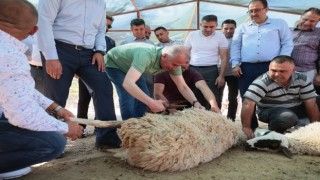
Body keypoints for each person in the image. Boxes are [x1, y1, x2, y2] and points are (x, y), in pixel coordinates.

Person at [0, 0, 83, 179]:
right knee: (53, 142)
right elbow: (22, 114)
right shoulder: (8, 53)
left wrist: (56, 107)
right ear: (34, 30)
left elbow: (17, 89)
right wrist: (65, 128)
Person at [37, 0, 118, 149]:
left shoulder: (100, 3)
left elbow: (100, 30)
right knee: (56, 96)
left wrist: (99, 50)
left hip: (89, 52)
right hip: (59, 49)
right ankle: (52, 143)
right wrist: (51, 56)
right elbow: (44, 22)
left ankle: (107, 138)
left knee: (104, 87)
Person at [231, 0, 293, 130]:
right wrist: (235, 64)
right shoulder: (242, 27)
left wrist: (280, 64)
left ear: (267, 9)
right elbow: (235, 47)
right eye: (251, 11)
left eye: (257, 10)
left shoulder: (279, 24)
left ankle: (277, 125)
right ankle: (251, 128)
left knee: (276, 95)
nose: (254, 13)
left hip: (272, 68)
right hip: (247, 68)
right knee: (247, 96)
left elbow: (287, 43)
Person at [105, 43, 204, 120]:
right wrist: (151, 102)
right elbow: (128, 84)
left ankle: (140, 125)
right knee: (128, 96)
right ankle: (128, 129)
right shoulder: (146, 55)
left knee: (144, 95)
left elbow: (182, 86)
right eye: (174, 64)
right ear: (164, 56)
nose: (175, 68)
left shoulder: (175, 63)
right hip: (115, 63)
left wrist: (195, 103)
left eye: (179, 66)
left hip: (131, 66)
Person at [241, 55, 320, 139]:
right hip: (271, 111)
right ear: (269, 68)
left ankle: (307, 126)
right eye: (273, 70)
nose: (277, 74)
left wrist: (315, 127)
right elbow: (247, 103)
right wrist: (246, 127)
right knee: (287, 117)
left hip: (295, 107)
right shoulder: (261, 82)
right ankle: (274, 132)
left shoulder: (302, 79)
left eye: (282, 71)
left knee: (316, 100)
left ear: (293, 70)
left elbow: (311, 103)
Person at [77, 15, 116, 137]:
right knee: (83, 100)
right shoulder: (87, 38)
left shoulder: (111, 42)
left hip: (102, 75)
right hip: (85, 74)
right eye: (105, 24)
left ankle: (99, 127)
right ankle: (80, 128)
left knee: (101, 101)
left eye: (109, 26)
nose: (107, 28)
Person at [184, 15, 228, 110]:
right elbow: (185, 52)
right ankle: (193, 119)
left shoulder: (220, 37)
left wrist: (221, 76)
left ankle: (212, 120)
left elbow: (224, 57)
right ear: (200, 25)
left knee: (212, 96)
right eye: (205, 26)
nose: (208, 29)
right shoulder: (192, 35)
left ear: (216, 25)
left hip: (211, 70)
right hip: (193, 69)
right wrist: (185, 67)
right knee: (193, 95)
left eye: (211, 27)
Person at [154, 63, 221, 113]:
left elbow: (204, 87)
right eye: (181, 62)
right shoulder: (162, 73)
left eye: (186, 62)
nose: (183, 65)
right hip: (168, 105)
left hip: (189, 106)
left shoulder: (192, 73)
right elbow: (157, 93)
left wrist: (214, 105)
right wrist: (171, 110)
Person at [121, 18, 155, 98]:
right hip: (131, 74)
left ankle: (148, 110)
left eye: (141, 29)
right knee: (132, 97)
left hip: (147, 74)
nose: (139, 31)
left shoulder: (151, 43)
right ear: (131, 29)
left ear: (144, 28)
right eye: (136, 29)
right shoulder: (125, 43)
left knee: (149, 95)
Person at [291, 7, 320, 93]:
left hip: (307, 72)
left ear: (318, 22)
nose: (307, 23)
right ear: (300, 17)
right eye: (305, 19)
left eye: (312, 21)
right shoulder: (288, 31)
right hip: (285, 71)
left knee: (305, 97)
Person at [219, 19, 239, 122]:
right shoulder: (217, 39)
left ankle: (231, 120)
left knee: (232, 98)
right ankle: (216, 118)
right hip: (219, 72)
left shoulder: (238, 40)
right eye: (226, 28)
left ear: (235, 29)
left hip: (233, 73)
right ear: (221, 29)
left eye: (231, 28)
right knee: (217, 96)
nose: (228, 30)